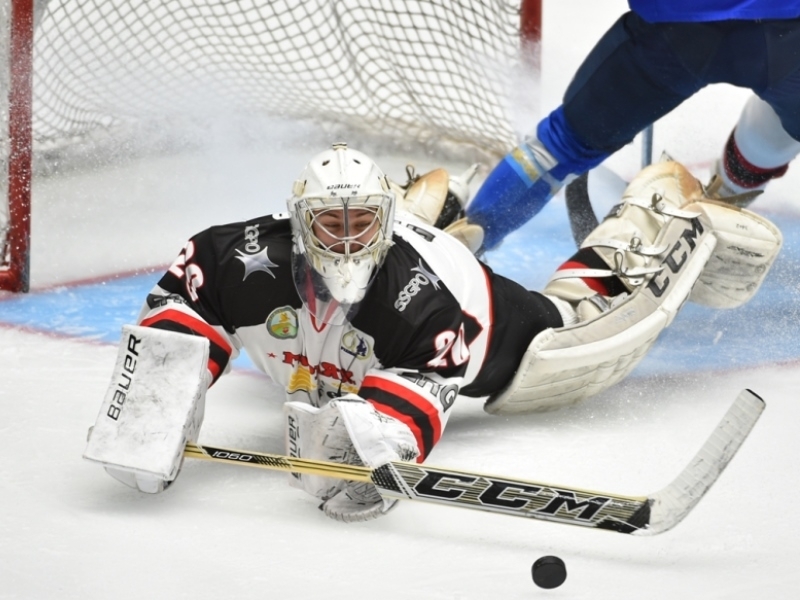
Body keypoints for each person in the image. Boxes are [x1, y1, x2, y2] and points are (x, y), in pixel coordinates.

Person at [83, 143, 780, 523]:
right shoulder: (235, 256)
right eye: (331, 224)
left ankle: (652, 217)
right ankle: (433, 208)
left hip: (487, 315)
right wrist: (154, 401)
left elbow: (402, 419)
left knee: (572, 331)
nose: (347, 241)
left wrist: (365, 453)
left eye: (363, 223)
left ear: (384, 225)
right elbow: (179, 306)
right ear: (297, 222)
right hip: (389, 294)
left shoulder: (423, 306)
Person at [451, 1, 800, 253]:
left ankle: (463, 245)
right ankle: (726, 201)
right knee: (782, 133)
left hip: (672, 29)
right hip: (790, 38)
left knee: (559, 146)